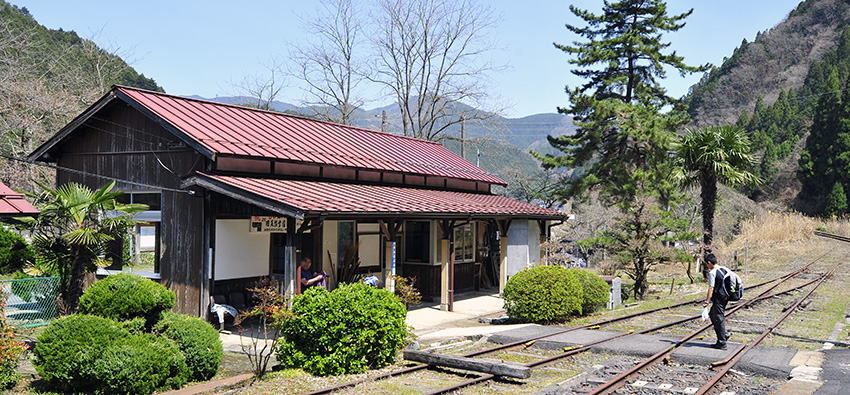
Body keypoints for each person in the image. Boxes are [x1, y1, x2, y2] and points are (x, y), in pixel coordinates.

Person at [703, 253, 731, 350]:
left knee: (718, 317)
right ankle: (724, 334)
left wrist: (707, 301)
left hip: (719, 298)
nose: (707, 266)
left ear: (709, 262)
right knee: (712, 314)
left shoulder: (712, 272)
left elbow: (711, 288)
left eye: (707, 264)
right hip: (726, 297)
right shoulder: (725, 269)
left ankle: (722, 342)